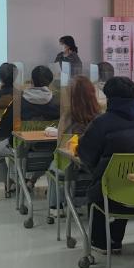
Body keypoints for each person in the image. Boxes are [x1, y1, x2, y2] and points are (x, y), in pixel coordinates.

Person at [77, 77, 134, 251]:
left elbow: (86, 155)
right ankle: (116, 236)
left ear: (108, 97)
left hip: (109, 193)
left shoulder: (101, 124)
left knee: (101, 185)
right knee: (125, 182)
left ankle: (100, 242)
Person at [0, 65, 61, 186]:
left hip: (21, 149)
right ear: (50, 82)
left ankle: (10, 183)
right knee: (45, 158)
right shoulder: (57, 102)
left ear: (32, 81)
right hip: (50, 149)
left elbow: (5, 126)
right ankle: (31, 180)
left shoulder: (19, 101)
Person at [48, 76, 102, 213]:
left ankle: (55, 207)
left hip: (70, 166)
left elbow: (60, 146)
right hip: (93, 166)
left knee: (53, 166)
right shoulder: (100, 117)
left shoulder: (67, 117)